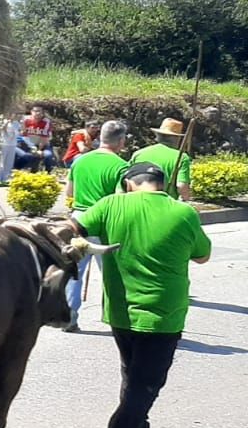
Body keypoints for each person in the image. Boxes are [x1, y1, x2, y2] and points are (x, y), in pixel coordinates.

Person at [72, 161, 212, 428]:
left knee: (133, 378)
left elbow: (73, 225)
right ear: (159, 183)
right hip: (163, 317)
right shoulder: (184, 213)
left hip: (120, 314)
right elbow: (203, 256)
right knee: (143, 388)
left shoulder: (109, 204)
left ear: (130, 183)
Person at [61, 120, 129, 331]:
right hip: (104, 225)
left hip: (78, 222)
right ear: (121, 140)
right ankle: (116, 319)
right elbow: (120, 199)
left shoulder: (80, 161)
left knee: (75, 272)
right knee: (112, 275)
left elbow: (69, 193)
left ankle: (69, 318)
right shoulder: (121, 166)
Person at [131, 117, 194, 201]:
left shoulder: (138, 154)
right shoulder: (181, 157)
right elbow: (181, 186)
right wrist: (185, 201)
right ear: (177, 138)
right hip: (165, 204)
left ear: (157, 136)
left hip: (138, 202)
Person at [21, 104, 56, 170]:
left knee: (48, 155)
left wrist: (39, 150)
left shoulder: (46, 122)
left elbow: (44, 138)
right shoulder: (25, 120)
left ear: (43, 113)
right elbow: (23, 135)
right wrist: (32, 148)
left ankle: (48, 172)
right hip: (28, 145)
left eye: (40, 111)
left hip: (43, 146)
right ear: (31, 112)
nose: (37, 113)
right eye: (35, 111)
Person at [0, 112, 23, 184]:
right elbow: (1, 130)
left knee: (9, 163)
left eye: (13, 114)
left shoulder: (16, 123)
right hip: (3, 144)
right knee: (1, 162)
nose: (12, 115)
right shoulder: (2, 121)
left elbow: (20, 132)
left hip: (12, 144)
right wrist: (6, 123)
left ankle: (5, 179)